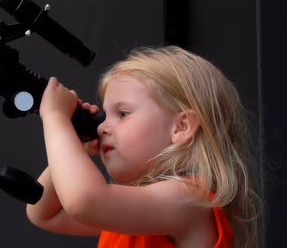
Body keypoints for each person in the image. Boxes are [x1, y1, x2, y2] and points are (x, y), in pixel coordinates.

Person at [26, 46, 261, 247]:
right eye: (105, 115)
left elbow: (85, 201)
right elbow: (43, 212)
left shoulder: (187, 199)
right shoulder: (137, 210)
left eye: (123, 113)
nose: (101, 128)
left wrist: (56, 118)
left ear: (181, 127)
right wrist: (73, 143)